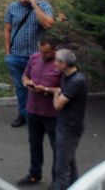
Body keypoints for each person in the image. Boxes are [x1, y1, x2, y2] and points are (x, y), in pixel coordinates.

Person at [4, 0, 55, 128]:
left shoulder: (44, 6)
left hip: (36, 56)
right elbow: (7, 30)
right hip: (15, 54)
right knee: (21, 87)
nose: (22, 0)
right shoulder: (12, 7)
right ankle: (23, 115)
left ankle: (39, 116)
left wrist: (34, 6)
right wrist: (8, 53)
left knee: (38, 87)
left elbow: (47, 24)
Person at [16, 37, 61, 187]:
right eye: (41, 51)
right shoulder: (34, 57)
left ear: (55, 50)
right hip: (32, 110)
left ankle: (58, 180)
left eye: (47, 53)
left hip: (52, 115)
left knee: (57, 148)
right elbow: (25, 74)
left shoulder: (62, 64)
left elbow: (66, 90)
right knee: (34, 144)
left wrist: (46, 90)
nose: (43, 55)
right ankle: (35, 174)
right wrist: (26, 82)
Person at [51, 49, 88, 190]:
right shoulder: (68, 76)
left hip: (69, 128)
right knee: (69, 161)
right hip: (67, 126)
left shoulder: (76, 81)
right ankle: (76, 186)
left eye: (57, 61)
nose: (54, 64)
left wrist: (55, 93)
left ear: (64, 64)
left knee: (62, 168)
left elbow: (58, 104)